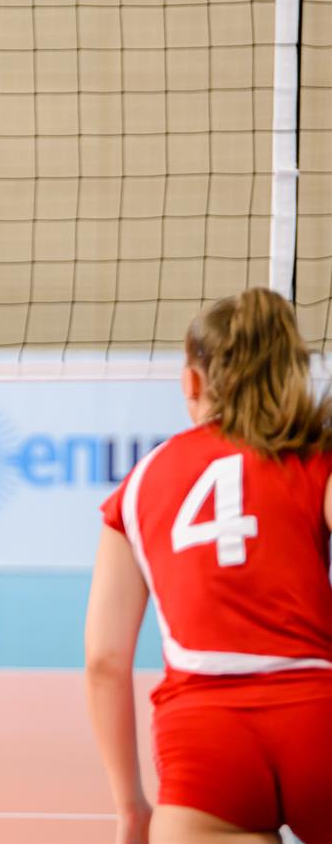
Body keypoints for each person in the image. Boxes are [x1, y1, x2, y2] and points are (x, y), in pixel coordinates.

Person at [85, 287, 332, 844]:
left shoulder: (140, 483)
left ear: (191, 382)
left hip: (204, 740)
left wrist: (131, 809)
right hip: (317, 716)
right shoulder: (314, 457)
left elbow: (104, 661)